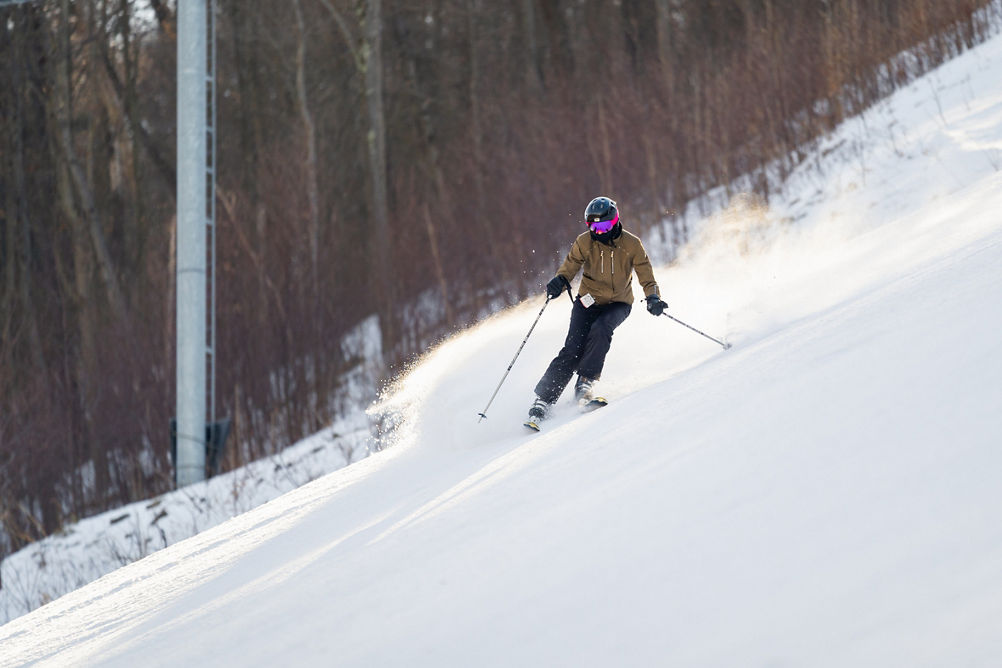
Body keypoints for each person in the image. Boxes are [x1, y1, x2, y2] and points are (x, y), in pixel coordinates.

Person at [526, 196, 668, 425]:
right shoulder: (584, 242)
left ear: (615, 221)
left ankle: (585, 382)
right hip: (588, 301)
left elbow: (646, 274)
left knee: (601, 329)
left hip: (619, 303)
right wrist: (559, 281)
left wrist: (653, 297)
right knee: (572, 348)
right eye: (593, 227)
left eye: (603, 226)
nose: (599, 232)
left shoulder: (632, 244)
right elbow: (570, 265)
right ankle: (542, 400)